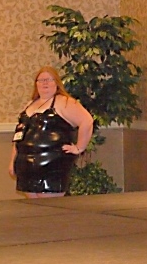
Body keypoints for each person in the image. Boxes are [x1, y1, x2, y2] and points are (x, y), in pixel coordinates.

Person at [9, 66, 94, 198]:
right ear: (36, 84)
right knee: (33, 207)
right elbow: (19, 136)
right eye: (41, 80)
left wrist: (79, 147)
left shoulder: (65, 102)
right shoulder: (30, 104)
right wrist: (13, 161)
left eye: (49, 79)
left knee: (49, 207)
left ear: (57, 83)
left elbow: (87, 121)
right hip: (26, 165)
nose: (45, 83)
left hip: (53, 164)